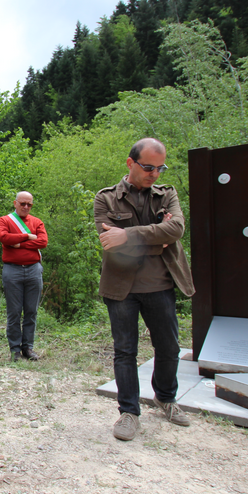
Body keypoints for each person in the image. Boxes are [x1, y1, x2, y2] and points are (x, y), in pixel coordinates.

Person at [94, 138, 196, 442]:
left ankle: (166, 398)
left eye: (160, 168)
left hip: (161, 285)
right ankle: (128, 412)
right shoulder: (106, 199)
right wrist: (157, 238)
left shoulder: (168, 194)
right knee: (125, 352)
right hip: (121, 288)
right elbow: (111, 245)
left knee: (169, 348)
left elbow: (176, 229)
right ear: (130, 163)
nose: (155, 173)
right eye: (148, 167)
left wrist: (129, 235)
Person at [0, 191, 48, 361]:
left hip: (34, 269)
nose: (26, 207)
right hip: (12, 270)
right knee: (14, 312)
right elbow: (4, 237)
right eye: (23, 203)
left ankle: (28, 347)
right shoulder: (5, 220)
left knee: (31, 311)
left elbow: (43, 242)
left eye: (29, 204)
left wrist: (18, 244)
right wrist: (27, 236)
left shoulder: (37, 222)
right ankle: (15, 349)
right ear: (15, 203)